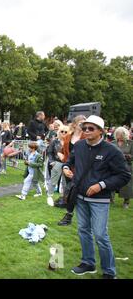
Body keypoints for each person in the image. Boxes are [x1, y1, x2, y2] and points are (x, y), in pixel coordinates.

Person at [63, 116, 130, 279]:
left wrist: (101, 185)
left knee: (100, 235)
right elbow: (69, 160)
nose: (86, 131)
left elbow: (124, 175)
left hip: (100, 199)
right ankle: (88, 263)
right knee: (83, 231)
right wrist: (65, 167)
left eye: (91, 128)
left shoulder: (112, 151)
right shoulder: (78, 146)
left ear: (101, 131)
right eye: (84, 128)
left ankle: (109, 271)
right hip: (80, 196)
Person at [57, 115, 87, 225]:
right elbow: (63, 152)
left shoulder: (86, 137)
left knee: (74, 190)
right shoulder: (67, 137)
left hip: (81, 168)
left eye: (85, 123)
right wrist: (62, 158)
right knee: (69, 190)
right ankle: (69, 213)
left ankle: (69, 215)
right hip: (68, 167)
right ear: (74, 124)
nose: (83, 125)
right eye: (81, 123)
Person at [112, 127, 132, 208]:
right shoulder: (113, 143)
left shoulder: (130, 143)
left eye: (120, 135)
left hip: (126, 166)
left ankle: (126, 202)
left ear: (125, 135)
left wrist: (127, 156)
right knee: (111, 181)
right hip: (114, 166)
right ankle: (110, 199)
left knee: (127, 184)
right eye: (117, 134)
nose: (118, 136)